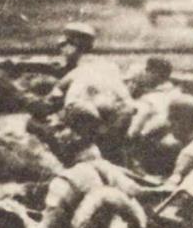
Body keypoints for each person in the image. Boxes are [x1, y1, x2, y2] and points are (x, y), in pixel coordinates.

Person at [27, 23, 135, 165]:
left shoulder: (76, 72)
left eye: (63, 46)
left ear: (72, 46)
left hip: (88, 116)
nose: (61, 51)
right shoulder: (110, 66)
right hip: (122, 114)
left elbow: (51, 100)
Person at [25, 157, 147, 228]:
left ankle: (24, 217)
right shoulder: (121, 199)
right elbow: (98, 196)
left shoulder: (120, 199)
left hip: (70, 188)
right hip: (67, 189)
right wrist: (79, 225)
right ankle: (19, 216)